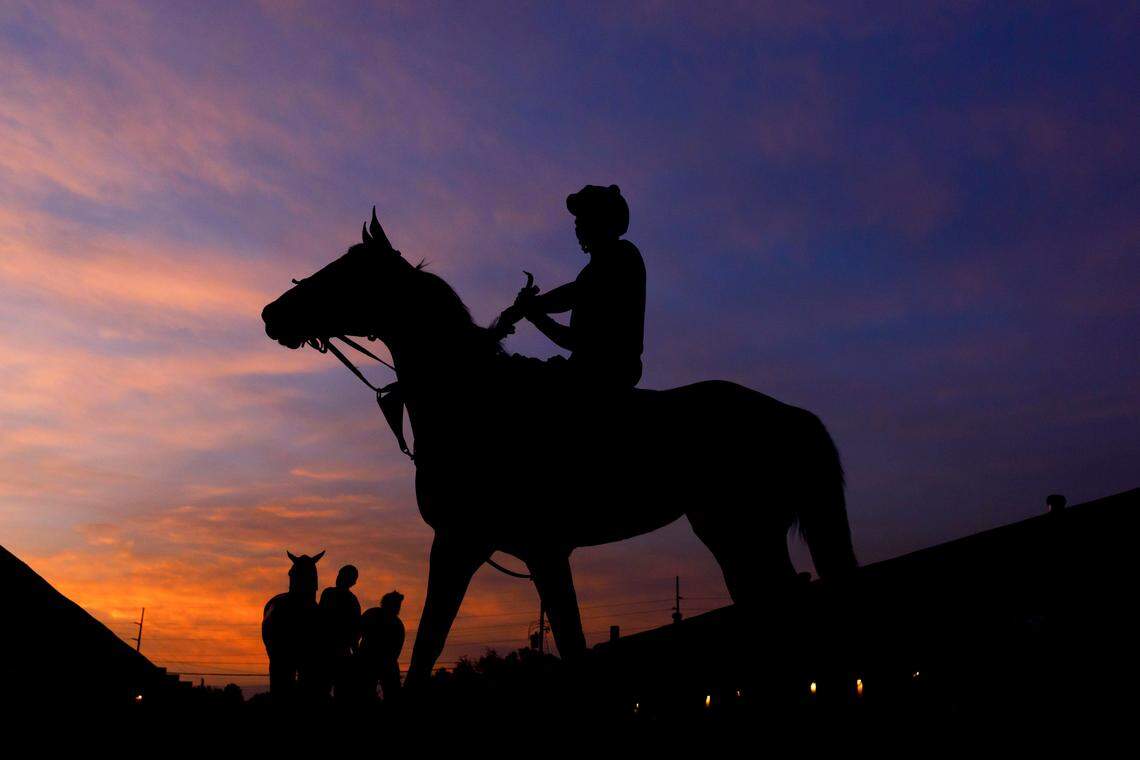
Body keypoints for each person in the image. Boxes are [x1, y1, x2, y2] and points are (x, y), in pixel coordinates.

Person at [492, 184, 646, 395]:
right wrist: (530, 311)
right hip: (588, 371)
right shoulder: (597, 268)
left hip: (602, 376)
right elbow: (571, 310)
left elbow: (575, 308)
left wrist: (531, 311)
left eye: (583, 217)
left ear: (601, 220)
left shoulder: (622, 256)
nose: (577, 225)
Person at [317, 564, 361, 700]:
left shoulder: (328, 594)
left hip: (327, 652)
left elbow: (319, 621)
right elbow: (356, 630)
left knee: (323, 690)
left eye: (341, 575)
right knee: (341, 693)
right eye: (339, 574)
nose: (338, 577)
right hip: (341, 653)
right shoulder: (353, 601)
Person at [359, 590, 406, 702]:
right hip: (368, 661)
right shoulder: (372, 615)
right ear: (387, 603)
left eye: (398, 605)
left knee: (392, 692)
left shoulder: (397, 625)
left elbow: (396, 652)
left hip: (386, 664)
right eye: (396, 604)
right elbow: (356, 633)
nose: (398, 608)